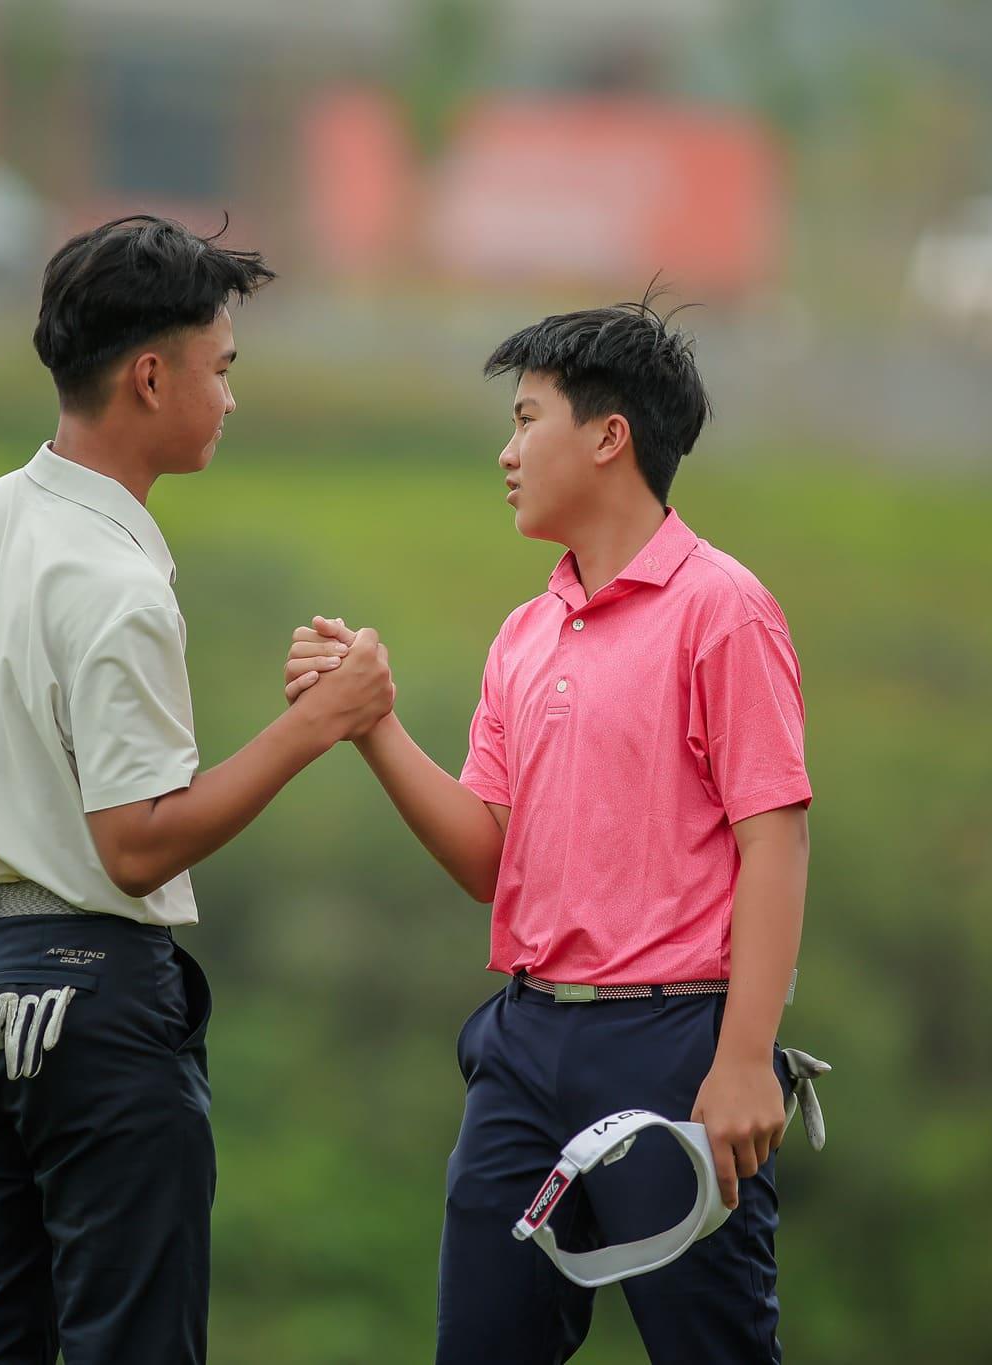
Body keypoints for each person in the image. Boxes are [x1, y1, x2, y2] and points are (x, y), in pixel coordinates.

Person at [0, 214, 394, 1365]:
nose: (230, 399)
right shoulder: (116, 581)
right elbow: (137, 845)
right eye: (221, 369)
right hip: (88, 999)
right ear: (150, 378)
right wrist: (319, 723)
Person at [284, 299, 812, 1363]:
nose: (507, 451)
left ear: (609, 436)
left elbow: (776, 839)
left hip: (673, 1048)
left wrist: (745, 1060)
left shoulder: (723, 609)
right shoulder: (525, 634)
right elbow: (487, 858)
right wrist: (371, 723)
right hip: (523, 1047)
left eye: (527, 419)